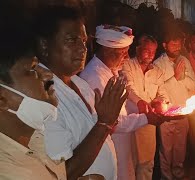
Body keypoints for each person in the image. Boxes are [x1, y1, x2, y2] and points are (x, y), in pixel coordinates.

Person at [35, 6, 131, 180]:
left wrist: (107, 122)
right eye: (72, 40)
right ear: (44, 45)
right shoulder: (41, 95)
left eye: (84, 41)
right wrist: (104, 123)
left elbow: (92, 133)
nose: (82, 49)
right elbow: (63, 172)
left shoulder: (80, 83)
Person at [80, 25, 172, 180]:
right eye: (123, 53)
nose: (126, 57)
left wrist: (150, 106)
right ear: (108, 51)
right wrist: (147, 118)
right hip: (111, 144)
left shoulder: (110, 71)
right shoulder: (95, 77)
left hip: (122, 142)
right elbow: (112, 121)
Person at [0, 3, 66, 179]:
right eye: (31, 70)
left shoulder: (34, 134)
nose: (47, 75)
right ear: (2, 99)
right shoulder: (8, 172)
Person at [122, 35, 169, 180]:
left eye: (153, 51)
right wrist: (140, 102)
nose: (150, 54)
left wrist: (159, 102)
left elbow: (163, 94)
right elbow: (127, 87)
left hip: (148, 123)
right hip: (128, 120)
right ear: (137, 49)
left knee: (147, 162)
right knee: (129, 162)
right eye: (146, 50)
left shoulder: (157, 72)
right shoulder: (127, 65)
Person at [154, 30, 195, 179]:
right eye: (174, 43)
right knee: (166, 151)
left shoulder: (184, 61)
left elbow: (194, 85)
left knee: (180, 151)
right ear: (165, 45)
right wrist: (175, 77)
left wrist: (182, 78)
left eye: (179, 43)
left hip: (183, 115)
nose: (177, 46)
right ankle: (166, 177)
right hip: (166, 117)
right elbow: (159, 90)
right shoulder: (158, 64)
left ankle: (178, 176)